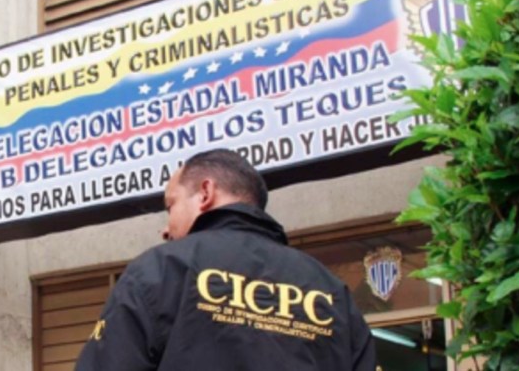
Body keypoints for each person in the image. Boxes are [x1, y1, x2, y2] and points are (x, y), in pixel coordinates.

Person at [75, 149, 376, 370]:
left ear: (205, 192)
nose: (166, 229)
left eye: (170, 206)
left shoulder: (159, 271)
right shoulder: (332, 292)